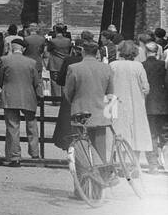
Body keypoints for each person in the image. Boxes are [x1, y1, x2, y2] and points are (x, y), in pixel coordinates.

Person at [63, 31, 114, 162]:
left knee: (82, 147)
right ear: (96, 53)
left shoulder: (74, 68)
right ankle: (103, 174)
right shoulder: (106, 68)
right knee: (100, 147)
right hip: (100, 112)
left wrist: (74, 101)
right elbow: (110, 92)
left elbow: (68, 92)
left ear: (83, 52)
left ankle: (85, 174)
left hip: (80, 111)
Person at [0, 36, 42, 165]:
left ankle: (14, 156)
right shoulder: (31, 62)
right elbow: (36, 82)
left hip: (10, 96)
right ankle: (35, 153)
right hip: (28, 96)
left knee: (12, 127)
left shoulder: (5, 60)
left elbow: (0, 80)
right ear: (23, 49)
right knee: (32, 125)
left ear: (12, 47)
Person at [108, 41, 151, 161]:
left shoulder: (113, 65)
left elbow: (108, 85)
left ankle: (120, 162)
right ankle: (134, 163)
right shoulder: (138, 66)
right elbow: (145, 88)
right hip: (135, 103)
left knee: (117, 131)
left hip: (116, 103)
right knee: (136, 132)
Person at [141, 42, 167, 171]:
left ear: (146, 51)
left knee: (151, 134)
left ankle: (153, 164)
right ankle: (165, 161)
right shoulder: (163, 65)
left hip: (148, 104)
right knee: (164, 134)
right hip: (163, 105)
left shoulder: (142, 66)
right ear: (157, 52)